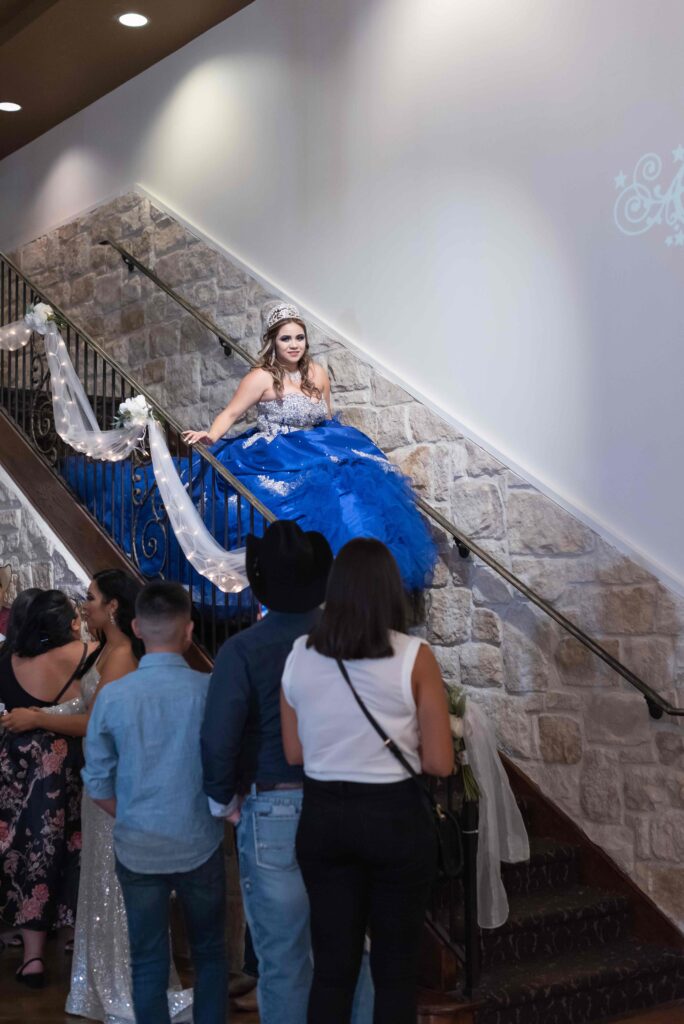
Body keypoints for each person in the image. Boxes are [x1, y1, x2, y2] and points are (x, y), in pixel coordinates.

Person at [201, 519, 373, 1024]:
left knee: (283, 961)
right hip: (347, 801)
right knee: (352, 953)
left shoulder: (243, 649)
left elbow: (219, 735)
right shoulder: (353, 643)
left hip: (274, 805)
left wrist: (222, 800)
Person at [281, 538, 454, 1024]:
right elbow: (440, 762)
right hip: (394, 820)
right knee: (395, 972)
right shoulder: (414, 657)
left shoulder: (299, 655)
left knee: (332, 970)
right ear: (388, 593)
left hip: (322, 817)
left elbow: (294, 752)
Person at [180, 301, 436, 591]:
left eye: (299, 337)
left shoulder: (317, 373)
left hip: (317, 445)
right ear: (272, 342)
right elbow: (231, 413)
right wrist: (211, 435)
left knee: (353, 493)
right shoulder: (260, 377)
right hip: (276, 453)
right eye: (285, 338)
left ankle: (361, 578)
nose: (293, 345)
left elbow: (327, 418)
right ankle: (308, 581)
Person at [83, 581, 226, 1024]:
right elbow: (227, 763)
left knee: (146, 960)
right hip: (199, 838)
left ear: (139, 627)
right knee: (210, 955)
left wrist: (129, 817)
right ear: (189, 630)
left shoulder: (114, 697)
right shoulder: (209, 690)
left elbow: (98, 780)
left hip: (137, 843)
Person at [0, 589, 98, 987]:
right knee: (77, 849)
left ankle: (33, 957)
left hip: (16, 771)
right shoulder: (88, 654)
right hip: (72, 769)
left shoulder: (6, 661)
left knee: (28, 854)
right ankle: (78, 938)